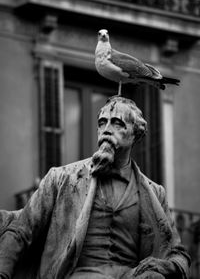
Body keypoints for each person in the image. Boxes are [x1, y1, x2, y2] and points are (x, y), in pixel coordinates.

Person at [0, 96, 190, 279]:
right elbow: (21, 231)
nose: (106, 130)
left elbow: (177, 253)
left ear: (135, 134)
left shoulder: (155, 193)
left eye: (117, 123)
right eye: (102, 123)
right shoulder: (61, 178)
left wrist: (168, 266)